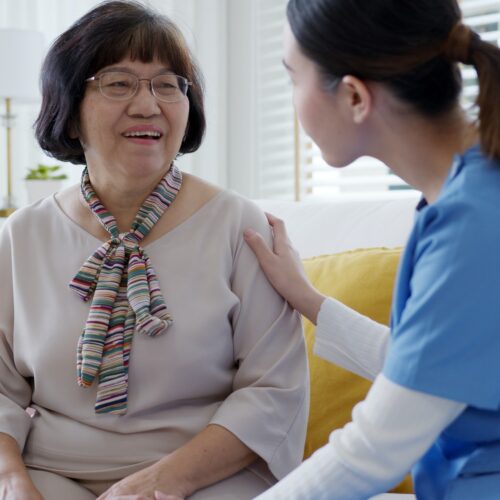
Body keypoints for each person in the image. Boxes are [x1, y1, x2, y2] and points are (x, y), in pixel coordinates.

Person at [0, 1, 309, 499]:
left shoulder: (239, 227)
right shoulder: (21, 236)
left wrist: (158, 483)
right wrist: (12, 482)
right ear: (69, 110)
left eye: (167, 85)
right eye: (118, 83)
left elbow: (273, 393)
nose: (147, 105)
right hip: (51, 472)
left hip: (206, 475)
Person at [244, 0, 500, 498]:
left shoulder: (473, 224)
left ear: (355, 97)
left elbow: (372, 453)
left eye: (294, 78)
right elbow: (423, 369)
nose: (293, 98)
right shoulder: (462, 197)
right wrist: (308, 299)